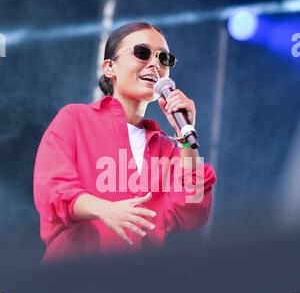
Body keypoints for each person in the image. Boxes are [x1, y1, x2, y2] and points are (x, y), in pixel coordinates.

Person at [33, 22, 217, 262]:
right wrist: (104, 208)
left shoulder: (167, 148)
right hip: (74, 278)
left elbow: (192, 212)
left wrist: (184, 138)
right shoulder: (75, 119)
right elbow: (52, 189)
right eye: (142, 53)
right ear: (110, 67)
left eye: (164, 58)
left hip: (137, 287)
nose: (155, 64)